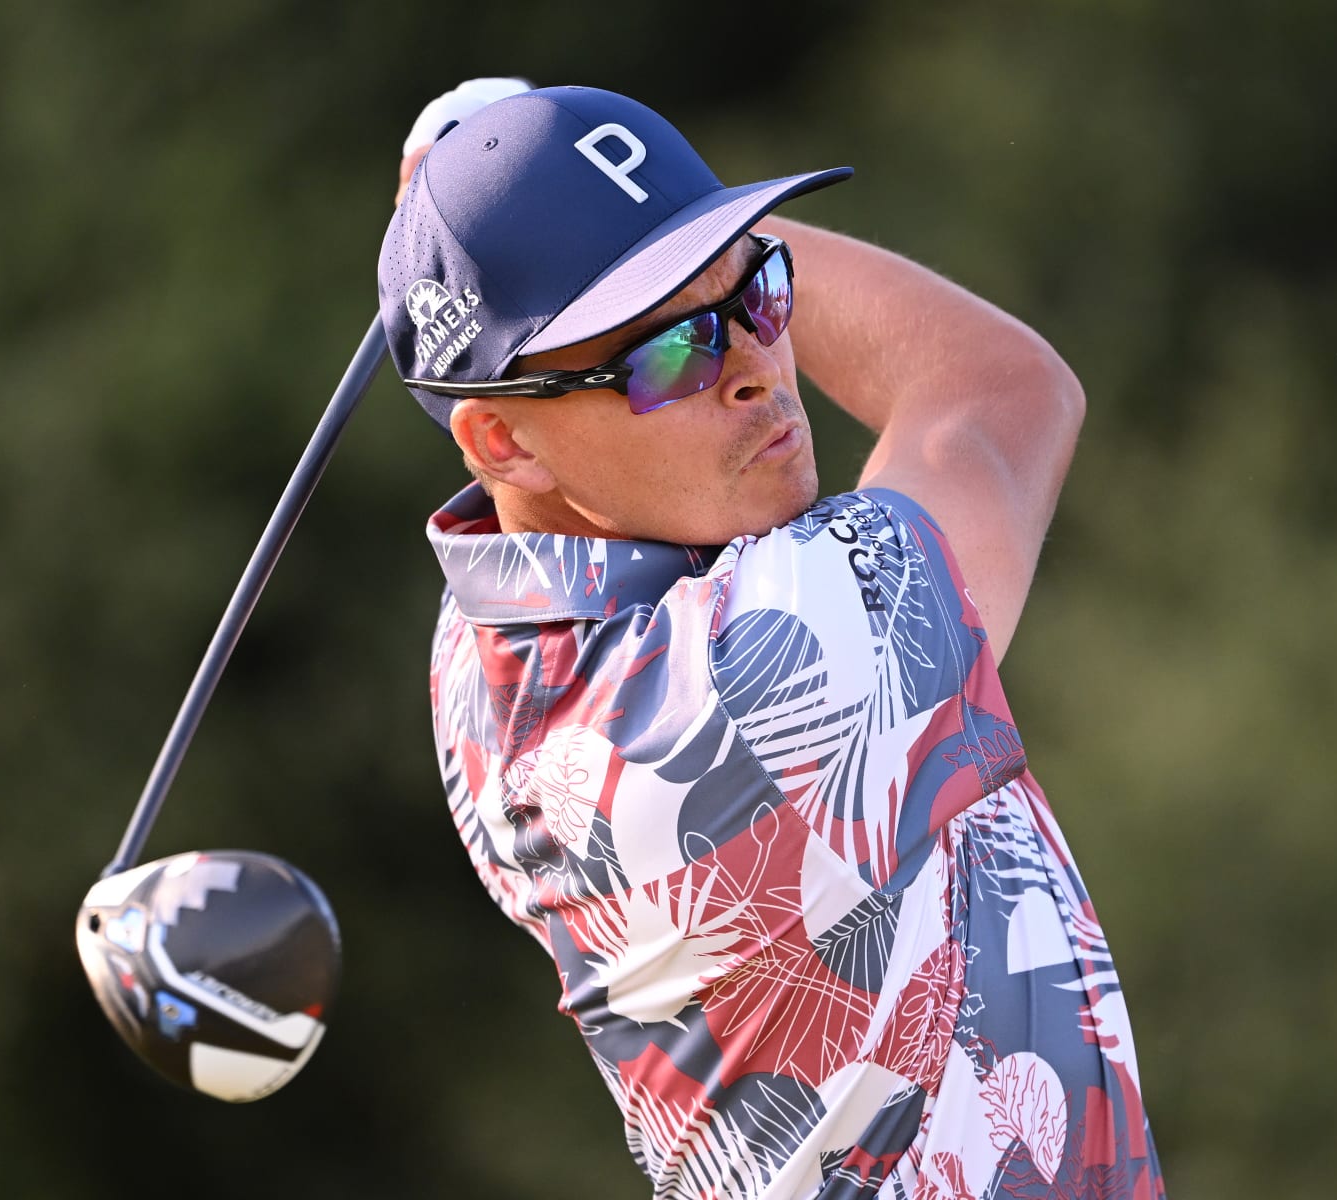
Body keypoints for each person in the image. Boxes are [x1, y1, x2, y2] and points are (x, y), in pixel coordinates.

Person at [379, 82, 1164, 1200]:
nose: (755, 363)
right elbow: (1001, 389)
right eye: (669, 353)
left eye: (760, 290)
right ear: (503, 439)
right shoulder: (763, 666)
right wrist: (667, 233)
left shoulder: (478, 648)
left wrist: (537, 221)